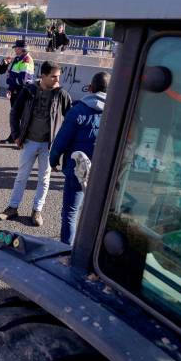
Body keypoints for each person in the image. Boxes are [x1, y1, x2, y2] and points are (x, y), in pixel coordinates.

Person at [0, 61, 71, 225]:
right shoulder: (29, 90)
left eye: (58, 76)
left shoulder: (62, 95)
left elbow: (70, 121)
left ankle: (37, 211)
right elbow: (14, 112)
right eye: (53, 76)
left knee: (44, 179)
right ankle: (12, 208)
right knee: (21, 177)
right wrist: (16, 135)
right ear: (43, 75)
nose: (57, 80)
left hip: (48, 145)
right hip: (29, 142)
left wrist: (61, 145)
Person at [50, 72, 110, 244]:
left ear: (91, 88)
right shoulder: (116, 112)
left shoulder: (78, 110)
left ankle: (66, 250)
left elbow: (61, 140)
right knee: (99, 214)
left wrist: (53, 160)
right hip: (105, 172)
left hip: (78, 170)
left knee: (70, 212)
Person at [0, 40, 35, 143]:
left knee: (22, 116)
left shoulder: (26, 60)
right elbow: (13, 74)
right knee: (15, 115)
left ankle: (21, 139)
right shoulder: (18, 59)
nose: (14, 49)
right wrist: (10, 88)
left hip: (22, 91)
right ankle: (14, 137)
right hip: (15, 91)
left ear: (21, 49)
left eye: (16, 47)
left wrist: (10, 81)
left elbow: (23, 80)